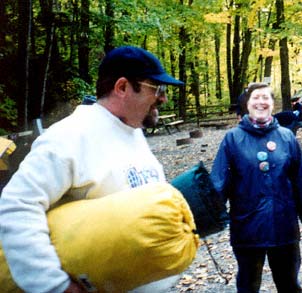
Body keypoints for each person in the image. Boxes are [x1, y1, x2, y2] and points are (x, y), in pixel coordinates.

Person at [0, 46, 184, 293]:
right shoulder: (69, 136)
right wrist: (54, 285)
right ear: (122, 88)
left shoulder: (132, 132)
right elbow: (16, 205)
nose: (163, 97)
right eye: (157, 89)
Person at [210, 82, 302, 293]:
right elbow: (219, 182)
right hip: (248, 228)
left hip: (284, 225)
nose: (261, 102)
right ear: (247, 105)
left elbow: (300, 179)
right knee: (248, 285)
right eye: (255, 98)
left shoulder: (287, 137)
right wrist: (203, 216)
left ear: (272, 103)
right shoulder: (232, 139)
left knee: (289, 284)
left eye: (265, 97)